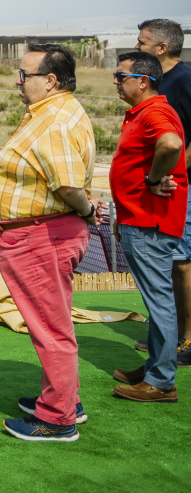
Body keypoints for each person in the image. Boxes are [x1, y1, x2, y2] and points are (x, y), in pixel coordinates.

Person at [0, 43, 103, 442]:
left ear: (50, 80)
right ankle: (65, 400)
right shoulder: (53, 111)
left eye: (24, 75)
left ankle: (57, 419)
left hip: (39, 237)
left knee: (50, 329)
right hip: (41, 234)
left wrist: (87, 210)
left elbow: (68, 185)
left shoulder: (55, 121)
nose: (18, 82)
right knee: (55, 324)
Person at [107, 50, 186, 403]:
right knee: (157, 299)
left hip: (148, 221)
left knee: (158, 301)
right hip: (140, 218)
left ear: (143, 81)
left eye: (120, 76)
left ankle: (161, 381)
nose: (115, 81)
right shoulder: (145, 111)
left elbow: (171, 143)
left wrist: (153, 179)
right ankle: (157, 365)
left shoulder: (154, 112)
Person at [135, 19, 191, 367]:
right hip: (163, 184)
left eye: (142, 42)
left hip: (181, 186)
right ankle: (169, 334)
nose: (136, 47)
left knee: (183, 263)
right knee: (170, 261)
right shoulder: (159, 82)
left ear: (161, 48)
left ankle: (188, 339)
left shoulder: (184, 81)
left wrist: (175, 171)